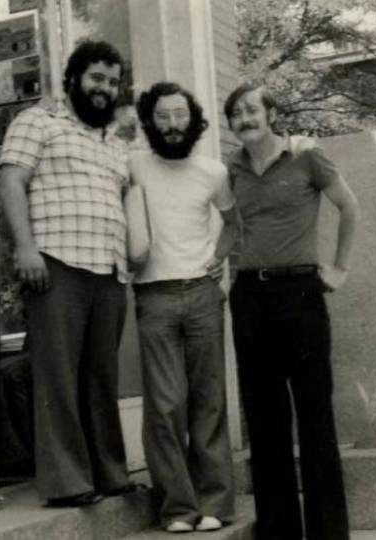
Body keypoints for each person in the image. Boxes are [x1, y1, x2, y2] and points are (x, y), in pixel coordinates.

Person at [0, 40, 136, 507]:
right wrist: (25, 247)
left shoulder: (115, 145)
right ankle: (67, 483)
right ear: (74, 78)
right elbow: (11, 179)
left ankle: (110, 474)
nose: (105, 89)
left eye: (113, 82)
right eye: (96, 78)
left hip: (109, 270)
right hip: (55, 263)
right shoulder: (38, 121)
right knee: (56, 376)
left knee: (100, 376)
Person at [224, 83, 360, 540]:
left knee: (315, 415)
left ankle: (327, 534)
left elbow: (349, 207)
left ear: (271, 113)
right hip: (249, 298)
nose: (245, 119)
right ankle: (280, 532)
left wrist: (339, 268)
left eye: (251, 110)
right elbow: (229, 227)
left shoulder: (307, 157)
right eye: (236, 114)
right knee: (264, 421)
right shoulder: (232, 168)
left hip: (300, 293)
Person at [131, 82, 237, 533]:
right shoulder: (133, 164)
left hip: (201, 294)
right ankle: (177, 508)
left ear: (192, 118)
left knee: (208, 401)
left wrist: (219, 258)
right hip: (153, 295)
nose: (172, 125)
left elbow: (233, 221)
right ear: (149, 122)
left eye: (179, 115)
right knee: (165, 404)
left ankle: (214, 504)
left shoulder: (212, 171)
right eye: (162, 116)